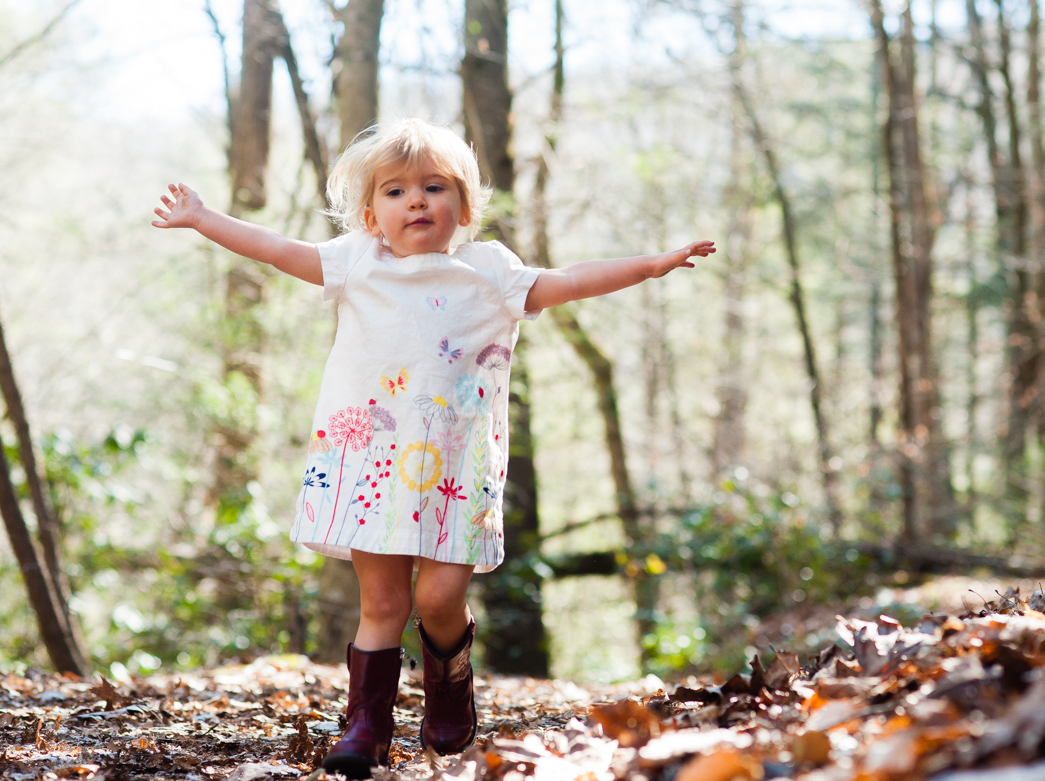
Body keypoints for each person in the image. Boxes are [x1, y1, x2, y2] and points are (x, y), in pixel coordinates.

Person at [152, 118, 713, 776]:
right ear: (370, 215)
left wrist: (649, 266)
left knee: (440, 598)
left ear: (463, 206)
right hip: (372, 464)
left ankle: (450, 687)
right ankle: (366, 726)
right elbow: (276, 248)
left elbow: (567, 281)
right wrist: (202, 216)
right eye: (395, 191)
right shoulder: (356, 263)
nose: (415, 200)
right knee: (383, 603)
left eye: (433, 187)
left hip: (455, 469)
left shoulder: (490, 273)